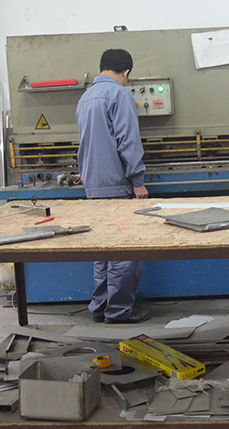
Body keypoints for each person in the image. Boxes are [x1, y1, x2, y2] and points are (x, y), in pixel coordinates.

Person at [76, 48, 151, 324]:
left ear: (100, 68)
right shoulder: (120, 95)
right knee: (123, 251)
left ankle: (100, 307)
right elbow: (128, 141)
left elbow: (86, 142)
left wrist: (85, 172)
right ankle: (118, 311)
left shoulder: (85, 98)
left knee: (103, 250)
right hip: (117, 185)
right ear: (126, 72)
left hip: (94, 185)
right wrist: (138, 181)